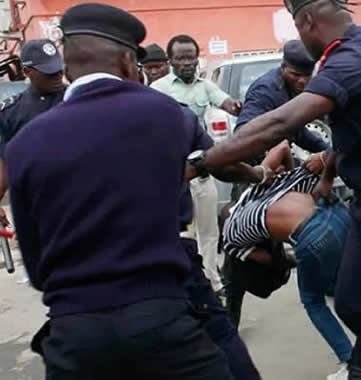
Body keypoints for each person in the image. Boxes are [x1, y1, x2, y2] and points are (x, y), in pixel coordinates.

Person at [189, 0, 361, 378]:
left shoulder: (354, 57)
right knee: (353, 304)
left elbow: (282, 121)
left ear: (306, 21)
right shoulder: (351, 48)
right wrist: (330, 171)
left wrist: (201, 162)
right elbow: (353, 128)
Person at [6, 3, 236, 379]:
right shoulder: (165, 114)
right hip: (162, 318)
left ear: (67, 65)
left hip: (73, 335)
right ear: (130, 63)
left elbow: (34, 263)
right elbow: (214, 159)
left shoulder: (24, 145)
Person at [222, 140, 353, 380]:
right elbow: (282, 146)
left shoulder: (232, 237)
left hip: (313, 234)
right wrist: (288, 169)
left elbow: (274, 261)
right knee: (355, 284)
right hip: (337, 211)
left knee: (312, 301)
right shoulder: (260, 184)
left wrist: (283, 252)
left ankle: (350, 362)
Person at [151, 34, 242, 294]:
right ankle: (185, 285)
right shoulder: (159, 89)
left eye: (191, 57)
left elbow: (226, 102)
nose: (187, 63)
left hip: (202, 170)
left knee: (209, 231)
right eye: (181, 58)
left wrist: (236, 106)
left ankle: (212, 282)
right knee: (181, 234)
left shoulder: (205, 87)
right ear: (171, 61)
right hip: (173, 174)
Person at [179, 105, 262, 380]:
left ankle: (215, 285)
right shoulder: (169, 113)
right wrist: (257, 174)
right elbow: (219, 162)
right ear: (130, 65)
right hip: (166, 256)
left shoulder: (49, 131)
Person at [0, 38, 66, 284]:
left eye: (59, 67)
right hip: (37, 205)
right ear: (27, 72)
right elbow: (4, 165)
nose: (58, 75)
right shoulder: (11, 113)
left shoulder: (78, 98)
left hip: (78, 199)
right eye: (49, 72)